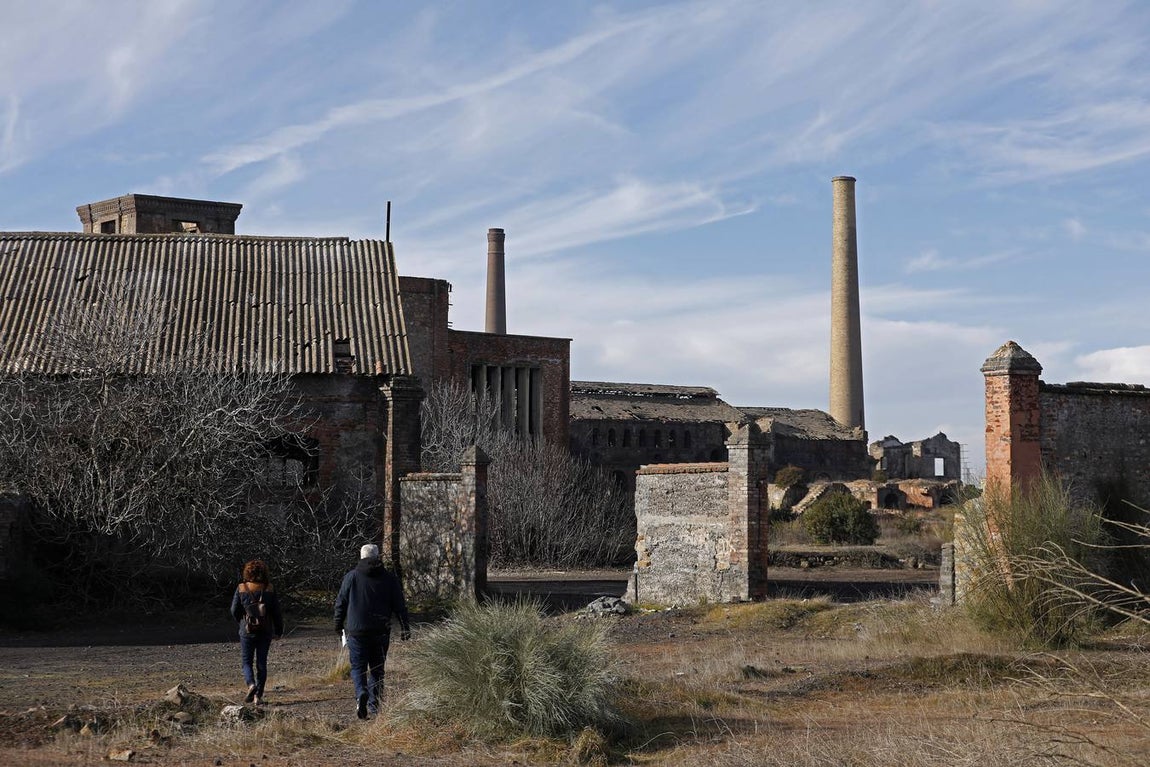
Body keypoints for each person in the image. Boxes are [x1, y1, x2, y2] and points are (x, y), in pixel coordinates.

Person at [334, 543, 411, 719]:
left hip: (356, 632)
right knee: (377, 669)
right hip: (380, 631)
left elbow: (341, 602)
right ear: (378, 557)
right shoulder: (389, 578)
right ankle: (374, 707)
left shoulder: (351, 577)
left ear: (361, 557)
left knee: (358, 668)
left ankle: (361, 692)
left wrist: (338, 624)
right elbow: (399, 605)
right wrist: (405, 626)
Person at [229, 559, 284, 705]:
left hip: (246, 630)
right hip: (265, 630)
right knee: (261, 663)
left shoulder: (241, 588)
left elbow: (234, 610)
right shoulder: (269, 588)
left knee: (246, 662)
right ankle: (258, 696)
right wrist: (279, 631)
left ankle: (251, 684)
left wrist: (241, 622)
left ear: (247, 572)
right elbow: (277, 612)